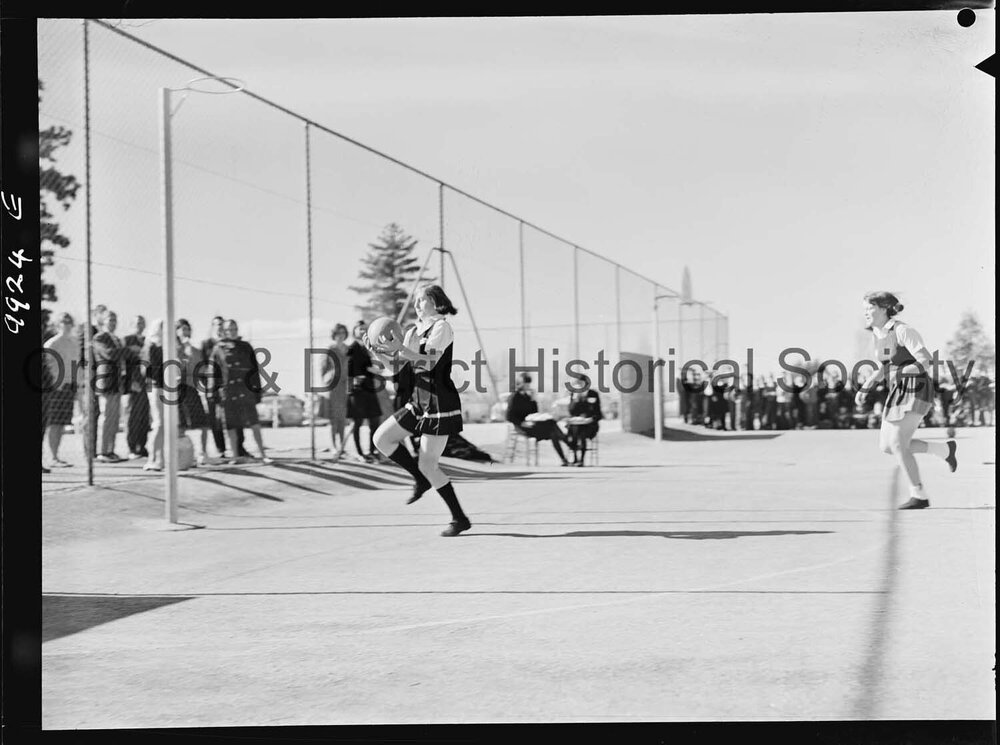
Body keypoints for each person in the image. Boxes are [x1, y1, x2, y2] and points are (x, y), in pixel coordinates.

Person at [367, 285, 472, 537]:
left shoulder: (441, 327)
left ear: (436, 302)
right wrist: (378, 352)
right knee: (381, 439)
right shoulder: (413, 331)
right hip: (418, 400)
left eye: (422, 299)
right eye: (415, 300)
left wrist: (400, 347)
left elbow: (430, 361)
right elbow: (396, 368)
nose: (416, 304)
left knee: (429, 464)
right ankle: (420, 479)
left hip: (439, 402)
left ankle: (459, 518)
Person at [854, 292, 957, 509]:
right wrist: (867, 386)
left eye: (869, 308)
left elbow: (925, 360)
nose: (865, 313)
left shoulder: (902, 330)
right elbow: (885, 367)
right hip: (898, 389)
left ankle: (919, 494)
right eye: (864, 309)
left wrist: (900, 373)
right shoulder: (878, 334)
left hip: (916, 387)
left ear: (884, 308)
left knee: (898, 444)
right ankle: (945, 451)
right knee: (887, 446)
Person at [209, 319, 272, 464]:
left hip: (245, 390)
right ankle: (235, 456)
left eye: (234, 329)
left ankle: (263, 454)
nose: (231, 332)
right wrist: (213, 392)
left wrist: (257, 391)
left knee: (254, 423)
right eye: (228, 329)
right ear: (224, 331)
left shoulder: (246, 346)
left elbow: (254, 370)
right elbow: (214, 371)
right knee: (231, 426)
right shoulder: (218, 348)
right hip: (228, 391)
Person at [42, 313, 82, 467]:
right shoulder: (52, 343)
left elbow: (76, 365)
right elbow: (47, 366)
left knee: (62, 423)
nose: (67, 324)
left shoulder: (74, 342)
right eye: (63, 321)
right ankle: (52, 457)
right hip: (56, 387)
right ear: (58, 324)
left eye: (69, 321)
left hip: (69, 386)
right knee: (54, 422)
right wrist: (55, 383)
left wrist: (77, 384)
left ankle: (56, 456)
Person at [506, 373, 572, 466]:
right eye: (526, 383)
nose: (528, 386)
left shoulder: (527, 397)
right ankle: (570, 444)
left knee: (552, 428)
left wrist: (533, 400)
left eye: (528, 384)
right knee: (552, 426)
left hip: (533, 424)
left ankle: (564, 459)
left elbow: (534, 412)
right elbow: (509, 416)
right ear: (520, 384)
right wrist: (521, 423)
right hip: (522, 426)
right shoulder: (514, 397)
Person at [92, 309, 130, 462]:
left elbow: (119, 355)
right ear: (103, 321)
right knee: (107, 417)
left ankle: (110, 450)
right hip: (106, 381)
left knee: (114, 419)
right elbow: (109, 354)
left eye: (115, 320)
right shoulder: (99, 337)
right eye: (110, 320)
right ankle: (102, 451)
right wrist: (128, 350)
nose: (113, 323)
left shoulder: (117, 339)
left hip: (117, 382)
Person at [346, 320, 384, 463]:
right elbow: (349, 367)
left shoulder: (368, 348)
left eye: (364, 329)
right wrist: (362, 373)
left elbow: (372, 366)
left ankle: (372, 451)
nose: (362, 331)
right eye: (360, 329)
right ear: (354, 331)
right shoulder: (352, 348)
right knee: (358, 422)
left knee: (375, 420)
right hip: (357, 390)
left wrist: (373, 369)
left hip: (369, 388)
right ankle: (360, 453)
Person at [176, 318, 211, 466]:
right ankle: (181, 456)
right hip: (178, 390)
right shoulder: (173, 350)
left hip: (191, 389)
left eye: (187, 329)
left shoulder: (195, 351)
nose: (185, 332)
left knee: (203, 423)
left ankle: (202, 453)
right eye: (182, 329)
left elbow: (200, 370)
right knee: (181, 425)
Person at [200, 315, 236, 457]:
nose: (219, 327)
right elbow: (202, 366)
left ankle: (236, 448)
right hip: (212, 387)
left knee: (230, 418)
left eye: (221, 324)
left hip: (228, 386)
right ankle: (221, 449)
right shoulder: (206, 344)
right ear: (212, 326)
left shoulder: (228, 344)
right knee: (215, 419)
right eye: (217, 324)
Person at [319, 323, 351, 458]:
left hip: (346, 386)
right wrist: (328, 379)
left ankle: (342, 447)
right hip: (333, 386)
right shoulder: (330, 349)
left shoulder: (349, 349)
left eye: (343, 332)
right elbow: (323, 368)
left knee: (342, 418)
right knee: (333, 418)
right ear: (334, 335)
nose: (340, 335)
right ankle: (333, 446)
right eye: (338, 333)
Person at [122, 315, 150, 459]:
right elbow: (122, 363)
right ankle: (132, 447)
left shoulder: (147, 341)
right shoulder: (127, 340)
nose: (139, 325)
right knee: (133, 416)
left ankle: (142, 446)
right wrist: (129, 381)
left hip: (147, 383)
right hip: (134, 383)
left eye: (142, 322)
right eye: (137, 322)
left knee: (145, 416)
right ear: (131, 324)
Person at [142, 319, 166, 471]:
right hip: (157, 387)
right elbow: (149, 371)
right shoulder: (152, 345)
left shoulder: (166, 345)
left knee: (165, 425)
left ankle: (160, 458)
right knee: (159, 423)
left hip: (166, 387)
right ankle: (152, 458)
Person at [565, 376, 603, 466]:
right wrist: (576, 400)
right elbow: (571, 411)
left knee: (580, 431)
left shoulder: (593, 394)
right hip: (576, 424)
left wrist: (591, 419)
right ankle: (576, 458)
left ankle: (580, 459)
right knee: (575, 429)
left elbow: (598, 413)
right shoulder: (574, 395)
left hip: (590, 425)